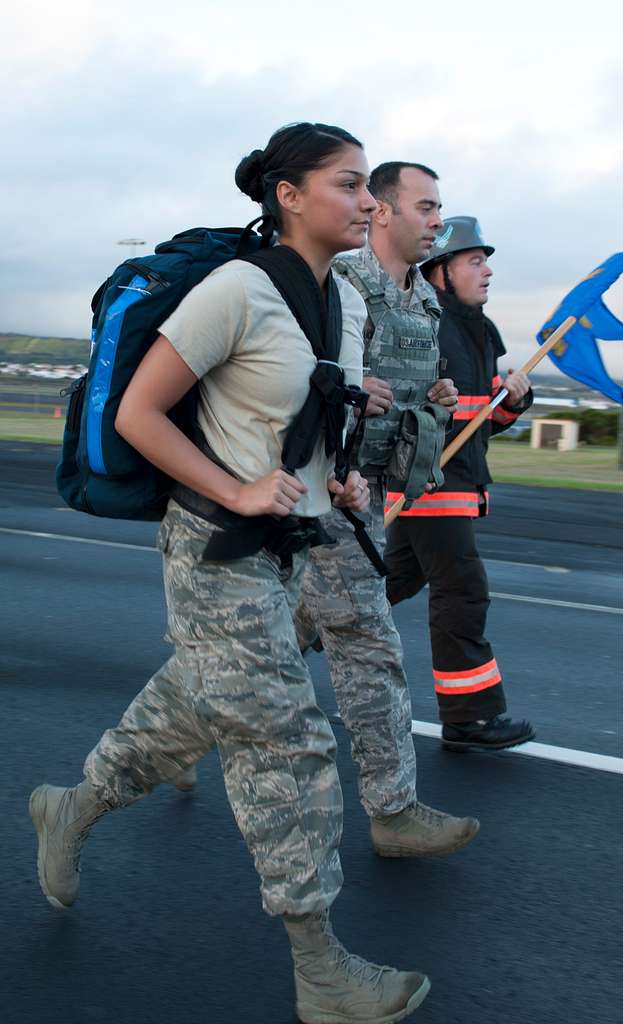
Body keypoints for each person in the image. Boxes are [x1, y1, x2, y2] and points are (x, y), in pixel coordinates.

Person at [28, 123, 434, 1024]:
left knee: (186, 711)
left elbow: (313, 418)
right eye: (348, 183)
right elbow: (140, 413)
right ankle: (319, 966)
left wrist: (347, 478)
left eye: (371, 186)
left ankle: (71, 806)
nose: (367, 202)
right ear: (287, 194)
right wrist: (236, 490)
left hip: (290, 550)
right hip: (211, 551)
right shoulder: (236, 290)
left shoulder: (348, 305)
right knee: (285, 740)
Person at [295, 162, 480, 854]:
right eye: (427, 206)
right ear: (382, 212)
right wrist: (344, 391)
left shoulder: (423, 305)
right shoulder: (340, 289)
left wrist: (424, 404)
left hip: (367, 496)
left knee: (274, 645)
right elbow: (287, 385)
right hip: (319, 496)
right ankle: (392, 810)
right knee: (370, 643)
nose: (437, 220)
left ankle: (170, 733)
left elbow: (399, 405)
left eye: (439, 207)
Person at [384, 216, 536, 751]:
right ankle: (468, 717)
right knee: (462, 589)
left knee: (386, 582)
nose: (488, 270)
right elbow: (414, 407)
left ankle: (289, 636)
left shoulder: (479, 329)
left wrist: (513, 401)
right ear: (441, 271)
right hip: (429, 483)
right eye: (476, 260)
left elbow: (482, 414)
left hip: (458, 480)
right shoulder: (423, 322)